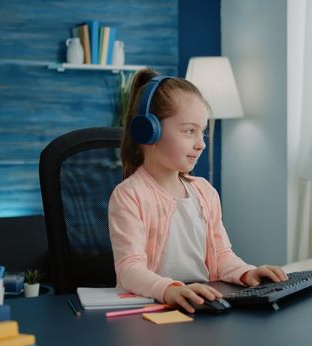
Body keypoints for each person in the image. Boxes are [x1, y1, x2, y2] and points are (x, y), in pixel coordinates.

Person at [109, 69, 287, 313]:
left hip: (202, 303)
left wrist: (247, 272)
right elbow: (129, 269)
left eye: (202, 131)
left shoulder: (204, 192)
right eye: (189, 131)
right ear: (149, 131)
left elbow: (222, 255)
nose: (201, 143)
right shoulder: (130, 195)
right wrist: (169, 289)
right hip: (155, 308)